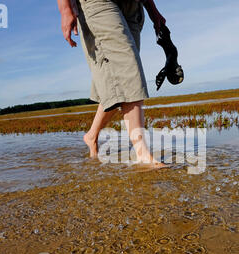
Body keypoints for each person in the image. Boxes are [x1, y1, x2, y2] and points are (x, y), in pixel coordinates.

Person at [57, 0, 167, 168]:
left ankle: (91, 136)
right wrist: (65, 9)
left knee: (117, 80)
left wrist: (153, 11)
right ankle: (142, 154)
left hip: (133, 7)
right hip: (99, 3)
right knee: (127, 70)